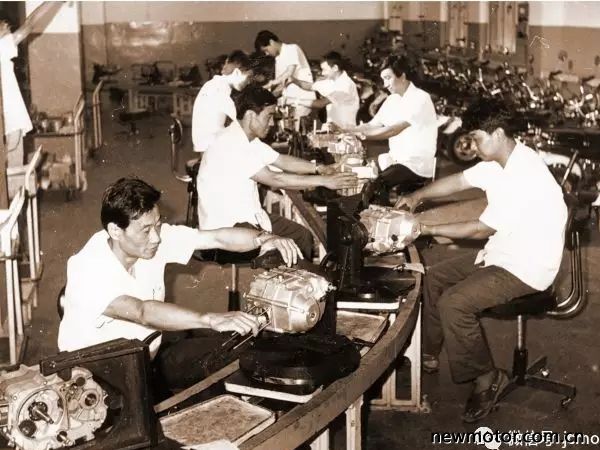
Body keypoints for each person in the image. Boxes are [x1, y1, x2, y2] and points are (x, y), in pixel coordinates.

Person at [395, 99, 567, 423]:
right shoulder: (500, 162)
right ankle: (427, 355)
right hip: (503, 252)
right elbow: (460, 181)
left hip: (527, 266)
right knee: (433, 277)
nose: (471, 147)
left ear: (498, 133)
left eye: (476, 138)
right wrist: (418, 196)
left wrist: (425, 228)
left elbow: (480, 228)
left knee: (454, 304)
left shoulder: (524, 174)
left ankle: (487, 378)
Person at [58, 178, 302, 391]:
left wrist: (264, 238)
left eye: (157, 225)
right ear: (115, 231)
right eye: (146, 230)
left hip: (144, 359)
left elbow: (216, 237)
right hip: (94, 379)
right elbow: (142, 311)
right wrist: (210, 319)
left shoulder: (151, 239)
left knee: (235, 351)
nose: (156, 238)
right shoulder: (87, 268)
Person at [196, 84, 358, 258]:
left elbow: (280, 160)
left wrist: (320, 168)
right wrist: (325, 181)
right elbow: (274, 178)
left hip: (246, 217)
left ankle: (301, 273)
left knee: (302, 236)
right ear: (251, 115)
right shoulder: (230, 143)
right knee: (287, 248)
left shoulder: (247, 140)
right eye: (269, 116)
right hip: (226, 231)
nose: (272, 123)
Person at [335, 55, 438, 202]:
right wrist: (345, 130)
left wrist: (363, 135)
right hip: (395, 158)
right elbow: (371, 124)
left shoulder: (420, 98)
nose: (385, 84)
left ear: (402, 76)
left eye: (388, 78)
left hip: (416, 164)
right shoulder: (392, 99)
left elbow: (393, 130)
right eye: (383, 79)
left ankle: (379, 214)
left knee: (376, 186)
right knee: (359, 171)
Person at [0, 2, 63, 168]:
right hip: (10, 121)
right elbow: (30, 23)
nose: (8, 28)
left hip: (9, 121)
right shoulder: (2, 47)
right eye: (5, 25)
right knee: (13, 171)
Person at [191, 49, 253, 152]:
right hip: (211, 149)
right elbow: (242, 123)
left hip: (207, 145)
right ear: (237, 73)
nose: (249, 82)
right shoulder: (220, 89)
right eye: (248, 77)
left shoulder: (215, 84)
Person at [286, 51, 359, 128]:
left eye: (325, 69)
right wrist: (294, 80)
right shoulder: (331, 80)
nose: (323, 73)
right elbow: (310, 86)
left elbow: (320, 104)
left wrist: (293, 100)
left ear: (335, 68)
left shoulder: (345, 85)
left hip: (346, 129)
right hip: (333, 128)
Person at [254, 30, 315, 118]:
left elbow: (289, 73)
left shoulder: (292, 48)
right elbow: (281, 85)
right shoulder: (278, 58)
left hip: (303, 101)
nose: (267, 54)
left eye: (266, 50)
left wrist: (271, 83)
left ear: (271, 42)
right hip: (289, 102)